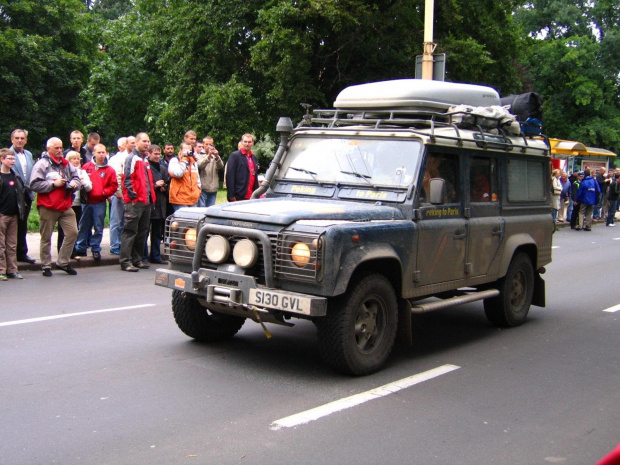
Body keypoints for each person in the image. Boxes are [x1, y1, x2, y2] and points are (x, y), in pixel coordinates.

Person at [29, 137, 81, 277]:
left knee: (73, 232)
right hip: (48, 206)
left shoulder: (65, 164)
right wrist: (53, 184)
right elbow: (33, 185)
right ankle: (46, 265)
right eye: (56, 148)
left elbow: (77, 176)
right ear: (48, 149)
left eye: (61, 148)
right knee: (46, 237)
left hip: (65, 205)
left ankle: (62, 262)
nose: (59, 151)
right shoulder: (42, 164)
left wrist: (75, 183)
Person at [74, 144, 118, 261]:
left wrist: (104, 193)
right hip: (87, 201)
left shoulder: (109, 170)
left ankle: (95, 248)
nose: (101, 155)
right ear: (94, 153)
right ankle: (81, 247)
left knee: (98, 226)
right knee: (84, 225)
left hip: (100, 202)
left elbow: (113, 185)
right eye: (99, 152)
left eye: (103, 152)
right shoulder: (87, 167)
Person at [120, 132, 155, 272]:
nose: (147, 144)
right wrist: (134, 198)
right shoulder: (132, 158)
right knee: (130, 231)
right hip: (135, 202)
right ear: (137, 142)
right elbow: (127, 179)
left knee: (142, 231)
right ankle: (125, 261)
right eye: (144, 141)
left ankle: (137, 259)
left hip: (145, 201)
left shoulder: (144, 159)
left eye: (148, 141)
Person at [57, 151, 92, 255]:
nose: (76, 161)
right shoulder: (63, 171)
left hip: (78, 203)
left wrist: (83, 182)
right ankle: (62, 251)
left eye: (78, 159)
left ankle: (73, 251)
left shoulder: (82, 172)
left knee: (75, 229)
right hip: (66, 203)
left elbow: (89, 188)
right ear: (68, 160)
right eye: (74, 159)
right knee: (63, 229)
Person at [9, 129, 35, 264]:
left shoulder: (28, 154)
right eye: (17, 138)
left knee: (23, 224)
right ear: (12, 139)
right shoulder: (7, 154)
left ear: (26, 140)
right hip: (13, 194)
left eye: (22, 138)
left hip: (27, 193)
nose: (19, 140)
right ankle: (11, 255)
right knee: (12, 225)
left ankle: (22, 253)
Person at [0, 148, 26, 280]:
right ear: (2, 159)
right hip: (2, 215)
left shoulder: (15, 176)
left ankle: (12, 269)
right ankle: (1, 270)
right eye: (9, 158)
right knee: (1, 244)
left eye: (13, 159)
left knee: (12, 244)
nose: (12, 161)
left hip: (14, 214)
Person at [108, 135, 134, 255]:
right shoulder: (118, 158)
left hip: (129, 195)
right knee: (116, 221)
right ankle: (114, 245)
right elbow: (116, 177)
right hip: (119, 194)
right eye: (131, 143)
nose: (133, 145)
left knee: (125, 221)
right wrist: (118, 193)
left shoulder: (134, 157)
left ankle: (122, 244)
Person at [144, 145, 169, 263]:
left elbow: (168, 183)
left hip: (161, 203)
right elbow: (144, 185)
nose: (158, 157)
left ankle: (156, 255)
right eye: (155, 154)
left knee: (158, 233)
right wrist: (154, 185)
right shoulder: (145, 167)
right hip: (150, 203)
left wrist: (164, 187)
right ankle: (143, 256)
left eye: (159, 154)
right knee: (145, 231)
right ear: (149, 154)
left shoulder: (163, 168)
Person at [168, 142, 201, 210]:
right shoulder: (174, 161)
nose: (187, 152)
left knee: (193, 220)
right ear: (180, 151)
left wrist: (198, 191)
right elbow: (178, 174)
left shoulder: (193, 162)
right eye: (185, 150)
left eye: (189, 150)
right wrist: (184, 160)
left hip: (193, 199)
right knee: (182, 220)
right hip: (180, 199)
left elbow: (197, 179)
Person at [226, 134, 259, 202]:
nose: (247, 144)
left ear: (252, 143)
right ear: (242, 142)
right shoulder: (235, 156)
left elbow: (255, 175)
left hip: (252, 195)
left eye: (249, 142)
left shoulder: (253, 157)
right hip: (239, 194)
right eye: (245, 141)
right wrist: (231, 195)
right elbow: (230, 176)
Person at [197, 136, 223, 207]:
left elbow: (221, 166)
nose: (209, 146)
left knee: (211, 209)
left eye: (210, 144)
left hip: (213, 188)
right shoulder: (198, 155)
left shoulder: (215, 156)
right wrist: (208, 156)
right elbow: (200, 166)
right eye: (207, 144)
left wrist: (217, 157)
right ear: (203, 144)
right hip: (203, 188)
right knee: (202, 210)